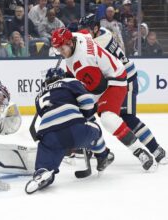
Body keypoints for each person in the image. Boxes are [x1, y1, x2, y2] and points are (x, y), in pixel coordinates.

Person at [51, 27, 158, 172]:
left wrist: (66, 82)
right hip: (102, 75)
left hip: (114, 81)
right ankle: (102, 153)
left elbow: (98, 87)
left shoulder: (83, 63)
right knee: (77, 112)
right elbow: (85, 32)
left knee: (108, 119)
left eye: (61, 49)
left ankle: (139, 152)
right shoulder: (77, 36)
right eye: (58, 49)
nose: (60, 53)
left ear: (70, 43)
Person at [79, 14, 167, 164]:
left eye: (86, 29)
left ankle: (156, 149)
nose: (84, 32)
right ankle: (89, 147)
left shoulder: (97, 43)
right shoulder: (105, 32)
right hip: (117, 79)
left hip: (126, 79)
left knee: (128, 117)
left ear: (95, 28)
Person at [25, 67, 114, 194]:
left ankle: (41, 174)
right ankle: (102, 157)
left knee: (46, 158)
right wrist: (86, 114)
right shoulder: (70, 81)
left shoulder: (38, 96)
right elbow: (88, 102)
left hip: (48, 134)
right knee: (96, 129)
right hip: (75, 129)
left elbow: (46, 116)